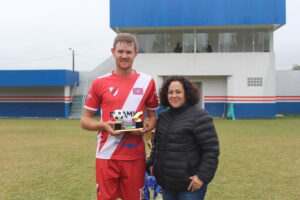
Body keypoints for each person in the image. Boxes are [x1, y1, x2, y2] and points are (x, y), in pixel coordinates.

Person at [80, 33, 159, 200]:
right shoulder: (99, 82)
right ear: (113, 52)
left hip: (135, 156)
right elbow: (85, 120)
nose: (124, 56)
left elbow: (153, 117)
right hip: (106, 154)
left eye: (129, 52)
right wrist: (104, 125)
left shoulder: (147, 82)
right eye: (120, 51)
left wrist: (146, 127)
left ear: (135, 54)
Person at [146, 76, 220, 200]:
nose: (174, 95)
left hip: (190, 187)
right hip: (167, 185)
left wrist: (201, 177)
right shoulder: (163, 116)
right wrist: (151, 164)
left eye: (178, 92)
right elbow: (157, 145)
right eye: (170, 92)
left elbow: (211, 150)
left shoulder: (200, 116)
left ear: (187, 93)